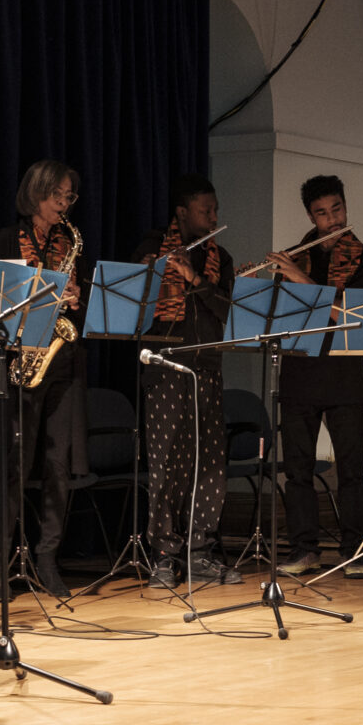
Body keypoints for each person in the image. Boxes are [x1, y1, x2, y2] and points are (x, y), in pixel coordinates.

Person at [0, 160, 90, 600]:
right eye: (58, 195)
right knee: (16, 466)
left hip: (62, 362)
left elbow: (82, 307)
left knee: (59, 466)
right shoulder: (2, 242)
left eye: (68, 196)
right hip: (20, 362)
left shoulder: (70, 242)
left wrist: (75, 298)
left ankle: (47, 558)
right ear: (36, 194)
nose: (64, 203)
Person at [263, 174, 363, 578]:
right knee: (297, 471)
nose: (331, 220)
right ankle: (304, 550)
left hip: (345, 375)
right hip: (298, 374)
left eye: (337, 210)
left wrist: (300, 279)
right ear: (310, 215)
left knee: (351, 471)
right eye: (321, 213)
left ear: (346, 208)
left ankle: (356, 551)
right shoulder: (294, 257)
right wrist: (281, 277)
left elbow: (349, 314)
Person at [130, 173, 241, 589]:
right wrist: (157, 271)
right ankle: (163, 552)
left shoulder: (220, 259)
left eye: (215, 210)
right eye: (205, 210)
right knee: (166, 466)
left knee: (210, 463)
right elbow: (136, 300)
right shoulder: (151, 246)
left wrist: (196, 279)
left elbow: (227, 310)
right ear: (182, 212)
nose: (213, 216)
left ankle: (200, 549)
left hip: (207, 367)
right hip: (164, 366)